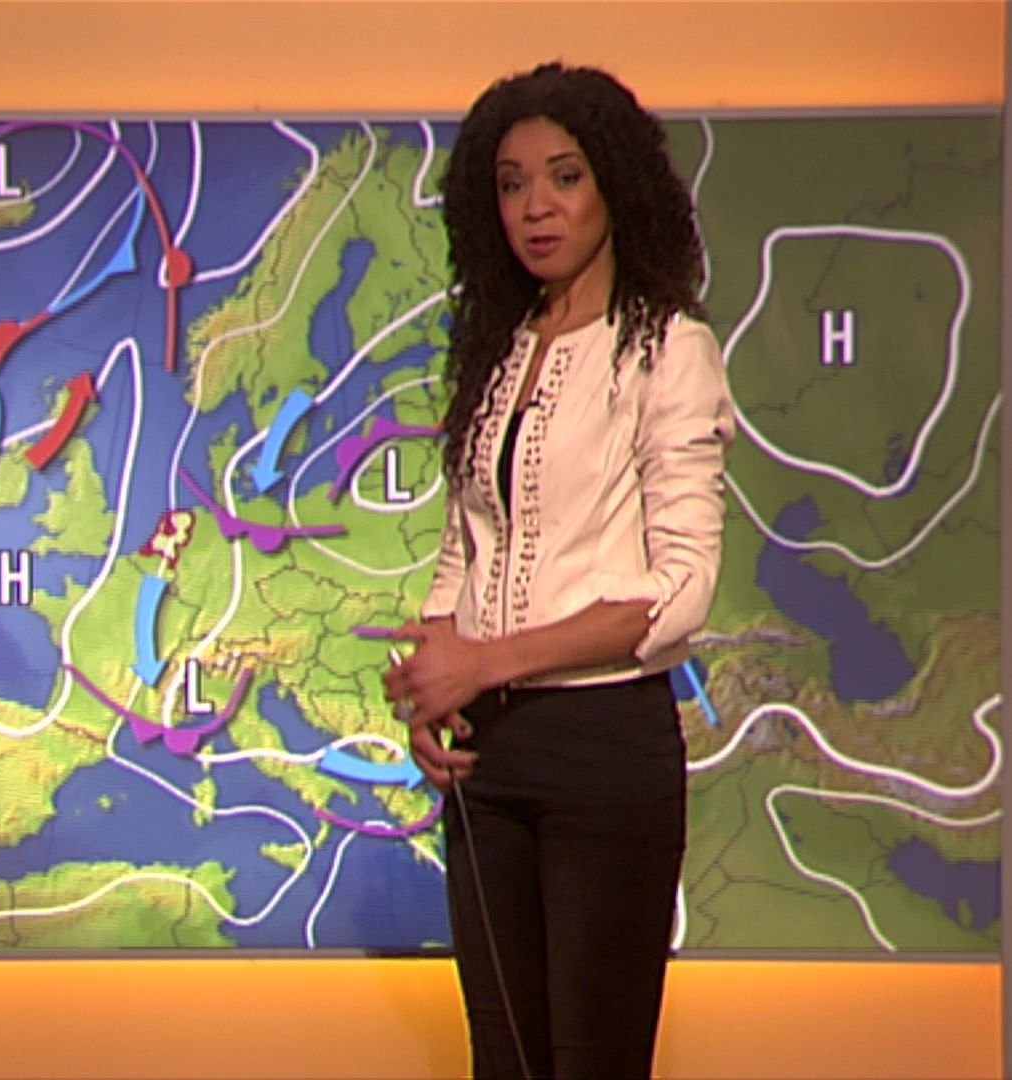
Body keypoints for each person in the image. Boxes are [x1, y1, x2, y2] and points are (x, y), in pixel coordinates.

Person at [382, 62, 734, 1079]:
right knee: (503, 1062)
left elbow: (681, 591)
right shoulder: (497, 354)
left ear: (614, 185)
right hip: (486, 767)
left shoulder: (668, 350)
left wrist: (489, 661)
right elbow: (464, 549)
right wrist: (434, 685)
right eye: (512, 184)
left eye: (564, 177)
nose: (536, 207)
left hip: (602, 754)